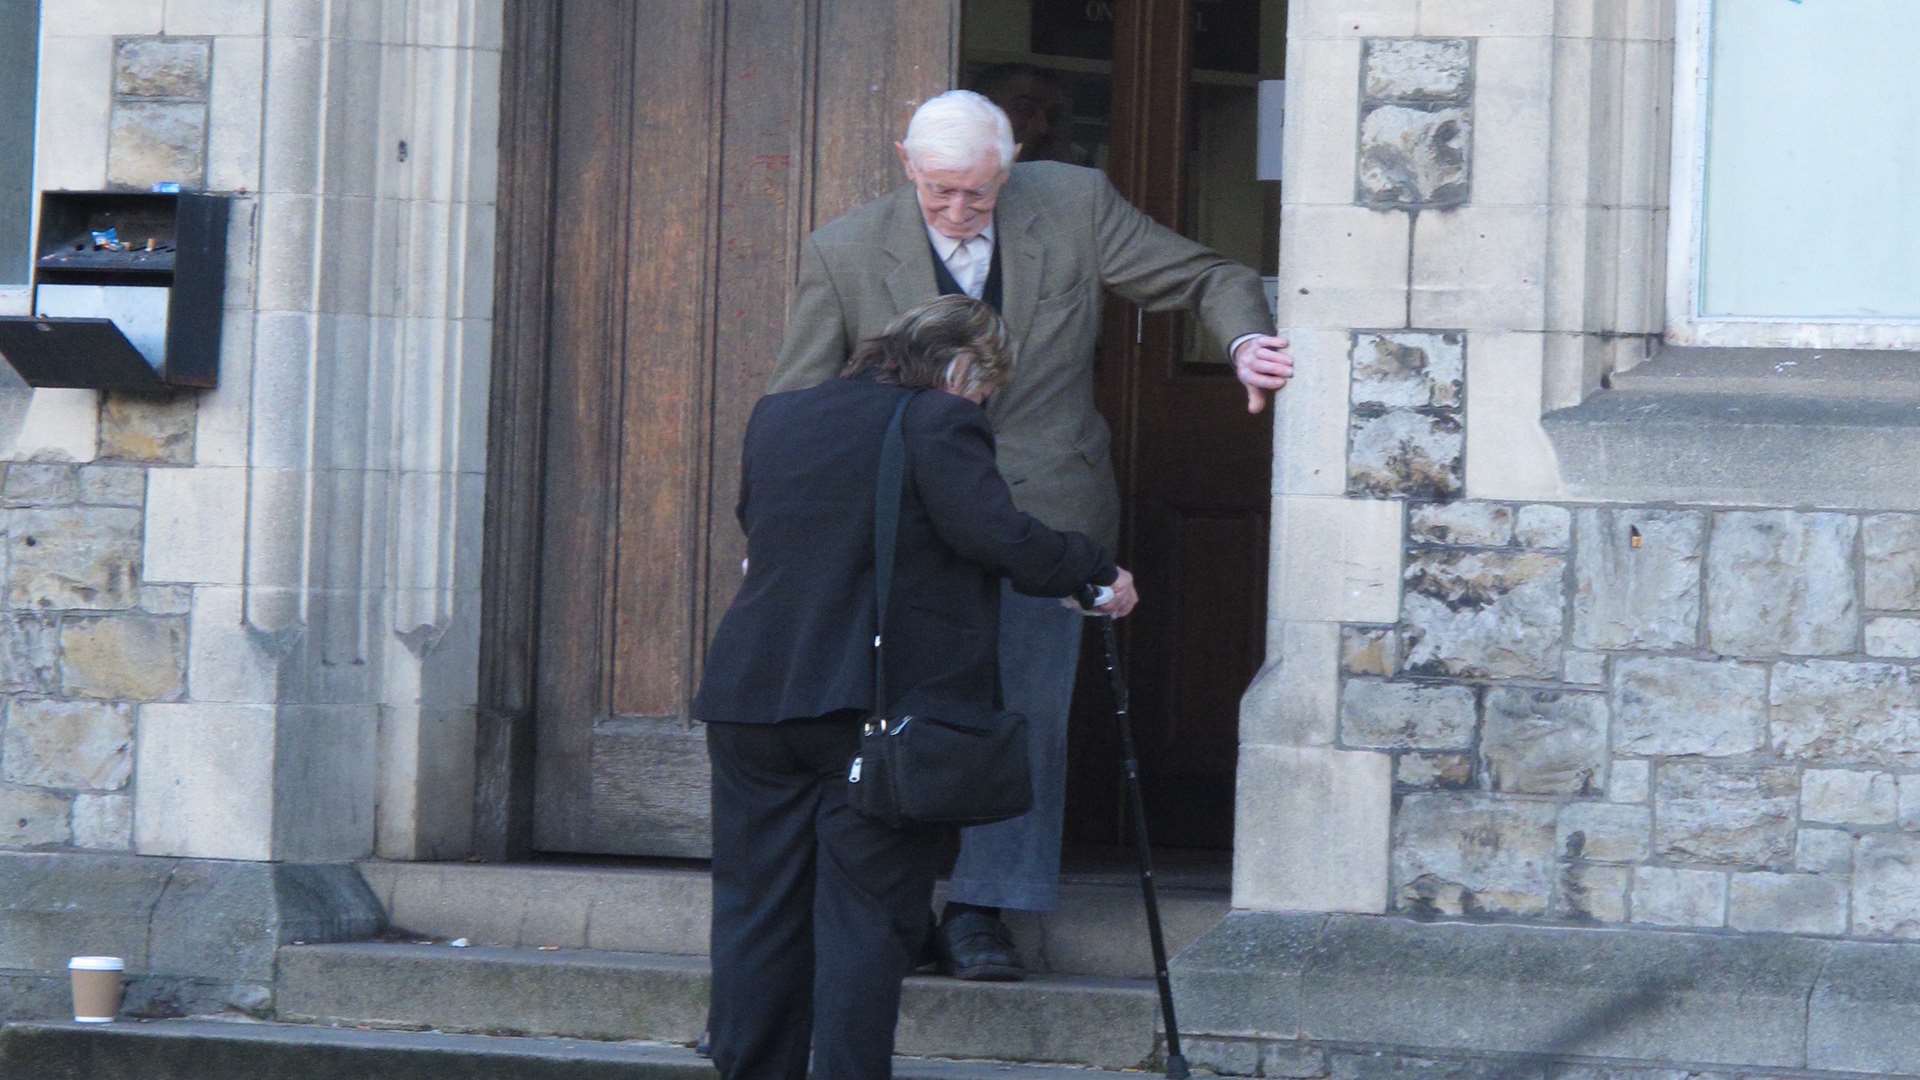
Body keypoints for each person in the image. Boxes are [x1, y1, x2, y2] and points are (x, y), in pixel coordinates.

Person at [768, 89, 1292, 981]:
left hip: (1045, 510)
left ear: (1007, 169)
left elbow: (1207, 274)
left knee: (1027, 716)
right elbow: (796, 408)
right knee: (895, 711)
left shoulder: (1075, 203)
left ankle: (984, 912)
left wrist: (1245, 343)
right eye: (940, 192)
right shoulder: (846, 249)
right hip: (901, 524)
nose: (959, 211)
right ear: (906, 164)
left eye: (977, 192)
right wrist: (782, 532)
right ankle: (893, 908)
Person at [696, 295, 1138, 1080]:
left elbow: (763, 528)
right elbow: (994, 533)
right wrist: (1091, 571)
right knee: (865, 923)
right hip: (871, 711)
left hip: (752, 698)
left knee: (756, 914)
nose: (981, 404)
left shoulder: (779, 417)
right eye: (985, 388)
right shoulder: (937, 420)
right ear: (966, 367)